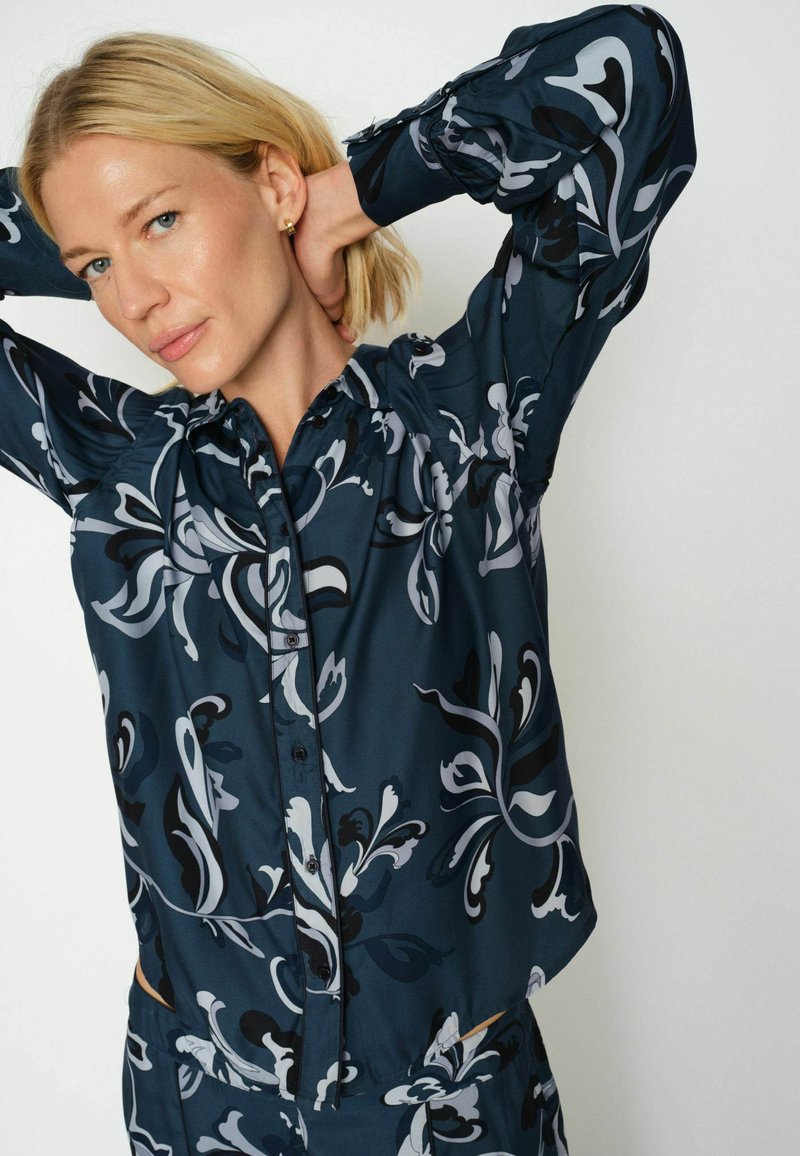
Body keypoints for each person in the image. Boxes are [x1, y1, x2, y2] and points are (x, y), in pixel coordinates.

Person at [0, 3, 696, 1152]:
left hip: (455, 1105)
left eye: (162, 220)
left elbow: (627, 76)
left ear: (272, 186)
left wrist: (351, 188)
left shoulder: (470, 419)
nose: (132, 300)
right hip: (202, 1094)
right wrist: (96, 219)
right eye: (95, 264)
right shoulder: (119, 467)